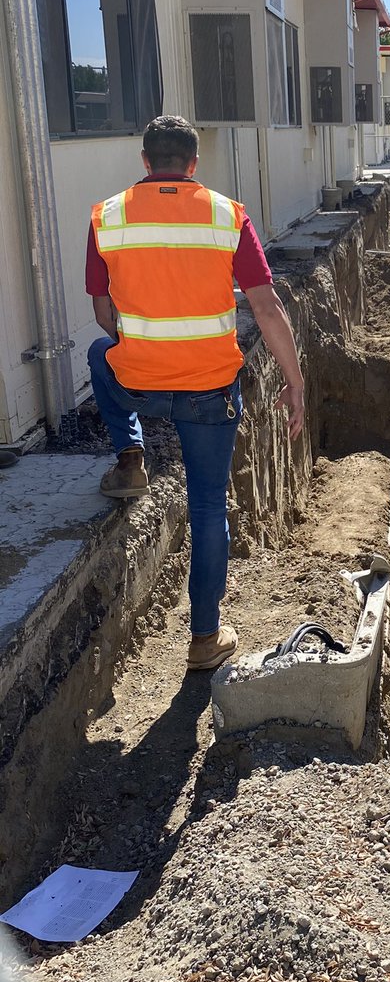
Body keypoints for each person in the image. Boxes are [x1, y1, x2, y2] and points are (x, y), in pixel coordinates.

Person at [86, 115, 304, 671]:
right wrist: (293, 380)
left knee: (96, 355)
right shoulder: (226, 215)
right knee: (208, 505)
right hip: (209, 388)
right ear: (193, 163)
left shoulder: (106, 217)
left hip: (138, 383)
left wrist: (141, 347)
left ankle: (130, 458)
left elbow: (102, 312)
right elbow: (266, 307)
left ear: (144, 161)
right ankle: (204, 640)